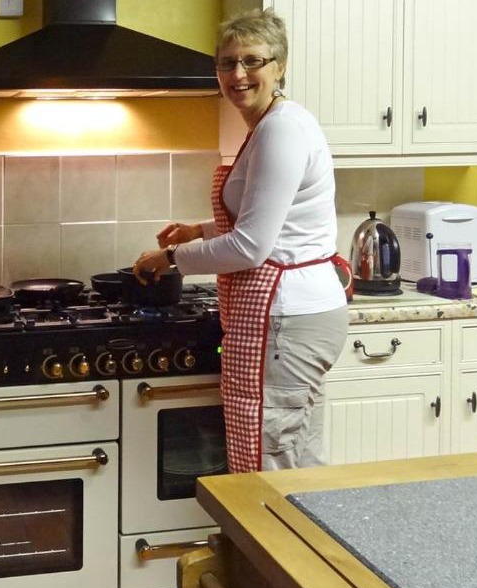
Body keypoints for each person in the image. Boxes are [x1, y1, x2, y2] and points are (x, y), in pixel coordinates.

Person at [132, 9, 350, 474]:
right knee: (297, 458)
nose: (238, 74)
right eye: (227, 62)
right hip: (295, 315)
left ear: (280, 65)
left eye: (252, 60)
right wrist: (200, 231)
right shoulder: (270, 125)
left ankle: (272, 548)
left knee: (271, 462)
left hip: (287, 319)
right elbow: (269, 220)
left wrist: (172, 257)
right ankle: (300, 546)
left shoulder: (281, 130)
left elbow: (252, 246)